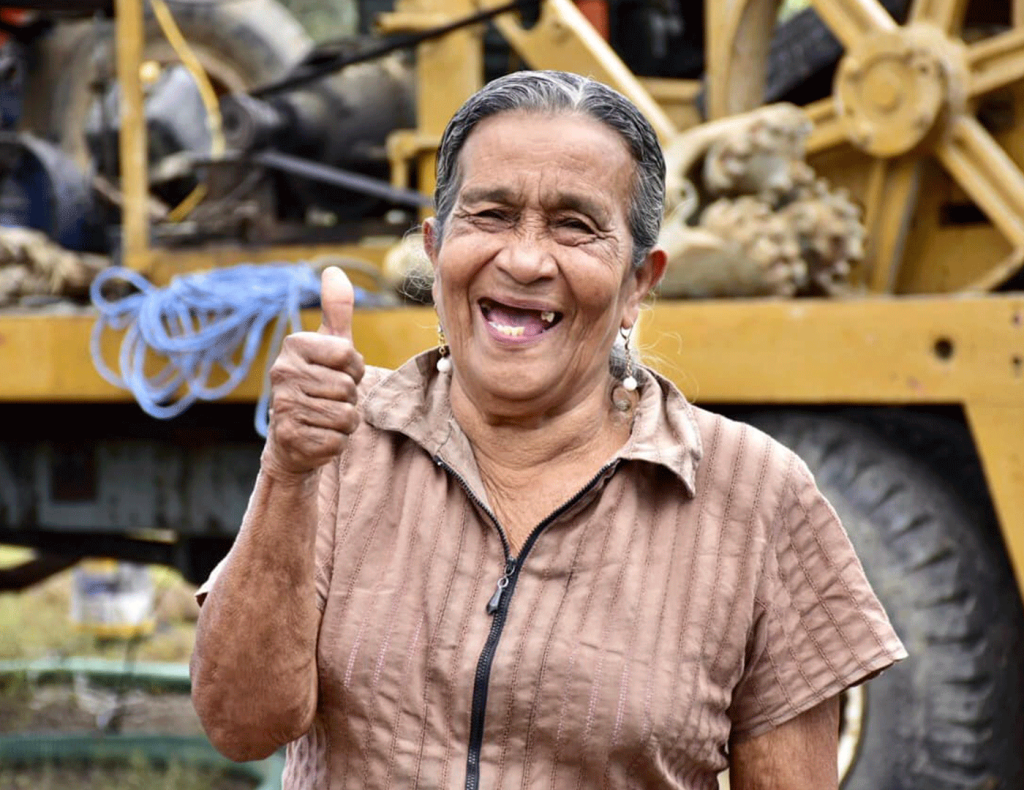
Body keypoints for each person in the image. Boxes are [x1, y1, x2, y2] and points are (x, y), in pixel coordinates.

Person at [190, 70, 906, 789]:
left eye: (574, 226)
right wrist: (289, 472)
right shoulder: (348, 439)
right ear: (435, 250)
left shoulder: (756, 495)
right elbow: (241, 724)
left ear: (638, 284)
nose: (525, 259)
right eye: (491, 215)